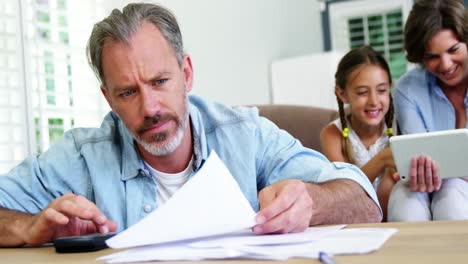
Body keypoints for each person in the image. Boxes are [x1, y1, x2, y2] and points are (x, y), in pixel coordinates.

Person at [0, 3, 381, 247]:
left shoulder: (245, 135)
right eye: (128, 93)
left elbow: (365, 201)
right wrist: (28, 227)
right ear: (108, 99)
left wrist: (311, 202)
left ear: (186, 73)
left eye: (160, 82)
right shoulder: (82, 156)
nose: (149, 108)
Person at [388, 0, 468, 221]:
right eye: (432, 57)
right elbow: (419, 152)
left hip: (456, 191)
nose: (445, 64)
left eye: (453, 50)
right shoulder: (408, 88)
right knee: (405, 200)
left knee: (451, 193)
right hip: (423, 185)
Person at [320, 46, 398, 221]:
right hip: (355, 220)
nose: (374, 101)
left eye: (382, 90)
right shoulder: (332, 134)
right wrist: (383, 160)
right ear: (342, 94)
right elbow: (344, 190)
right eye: (362, 92)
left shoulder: (399, 126)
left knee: (389, 182)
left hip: (397, 213)